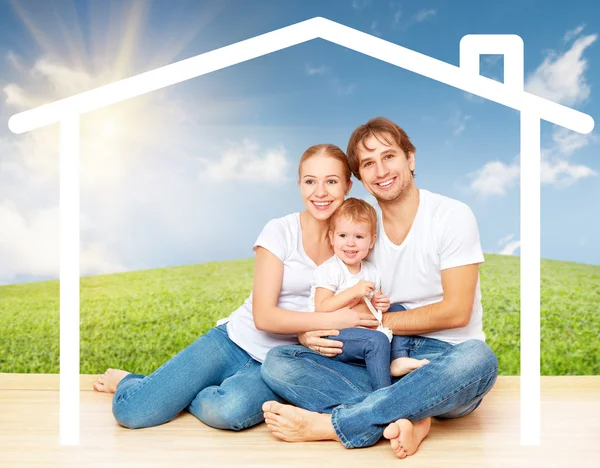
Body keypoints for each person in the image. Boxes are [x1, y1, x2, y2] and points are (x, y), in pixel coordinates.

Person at [92, 144, 379, 431]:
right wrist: (332, 321)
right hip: (234, 340)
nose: (320, 192)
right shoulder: (280, 231)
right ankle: (134, 381)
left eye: (331, 181)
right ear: (299, 184)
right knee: (133, 411)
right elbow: (264, 317)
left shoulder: (353, 242)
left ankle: (179, 392)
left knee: (228, 412)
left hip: (280, 364)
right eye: (310, 181)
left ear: (347, 186)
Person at [260, 117, 498, 460]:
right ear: (360, 178)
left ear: (410, 160)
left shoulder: (451, 216)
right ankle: (413, 416)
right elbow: (332, 296)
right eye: (368, 164)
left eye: (389, 157)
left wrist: (377, 324)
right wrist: (310, 331)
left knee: (479, 360)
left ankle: (335, 425)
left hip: (443, 359)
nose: (381, 170)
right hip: (375, 359)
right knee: (279, 362)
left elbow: (457, 312)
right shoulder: (359, 230)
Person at [308, 197, 429, 390]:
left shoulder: (370, 270)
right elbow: (321, 307)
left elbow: (376, 305)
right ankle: (383, 393)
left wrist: (381, 303)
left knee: (400, 310)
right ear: (331, 237)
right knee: (377, 341)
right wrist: (353, 292)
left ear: (371, 241)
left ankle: (399, 359)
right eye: (343, 236)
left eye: (359, 237)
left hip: (363, 327)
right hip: (334, 335)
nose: (350, 243)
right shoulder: (330, 269)